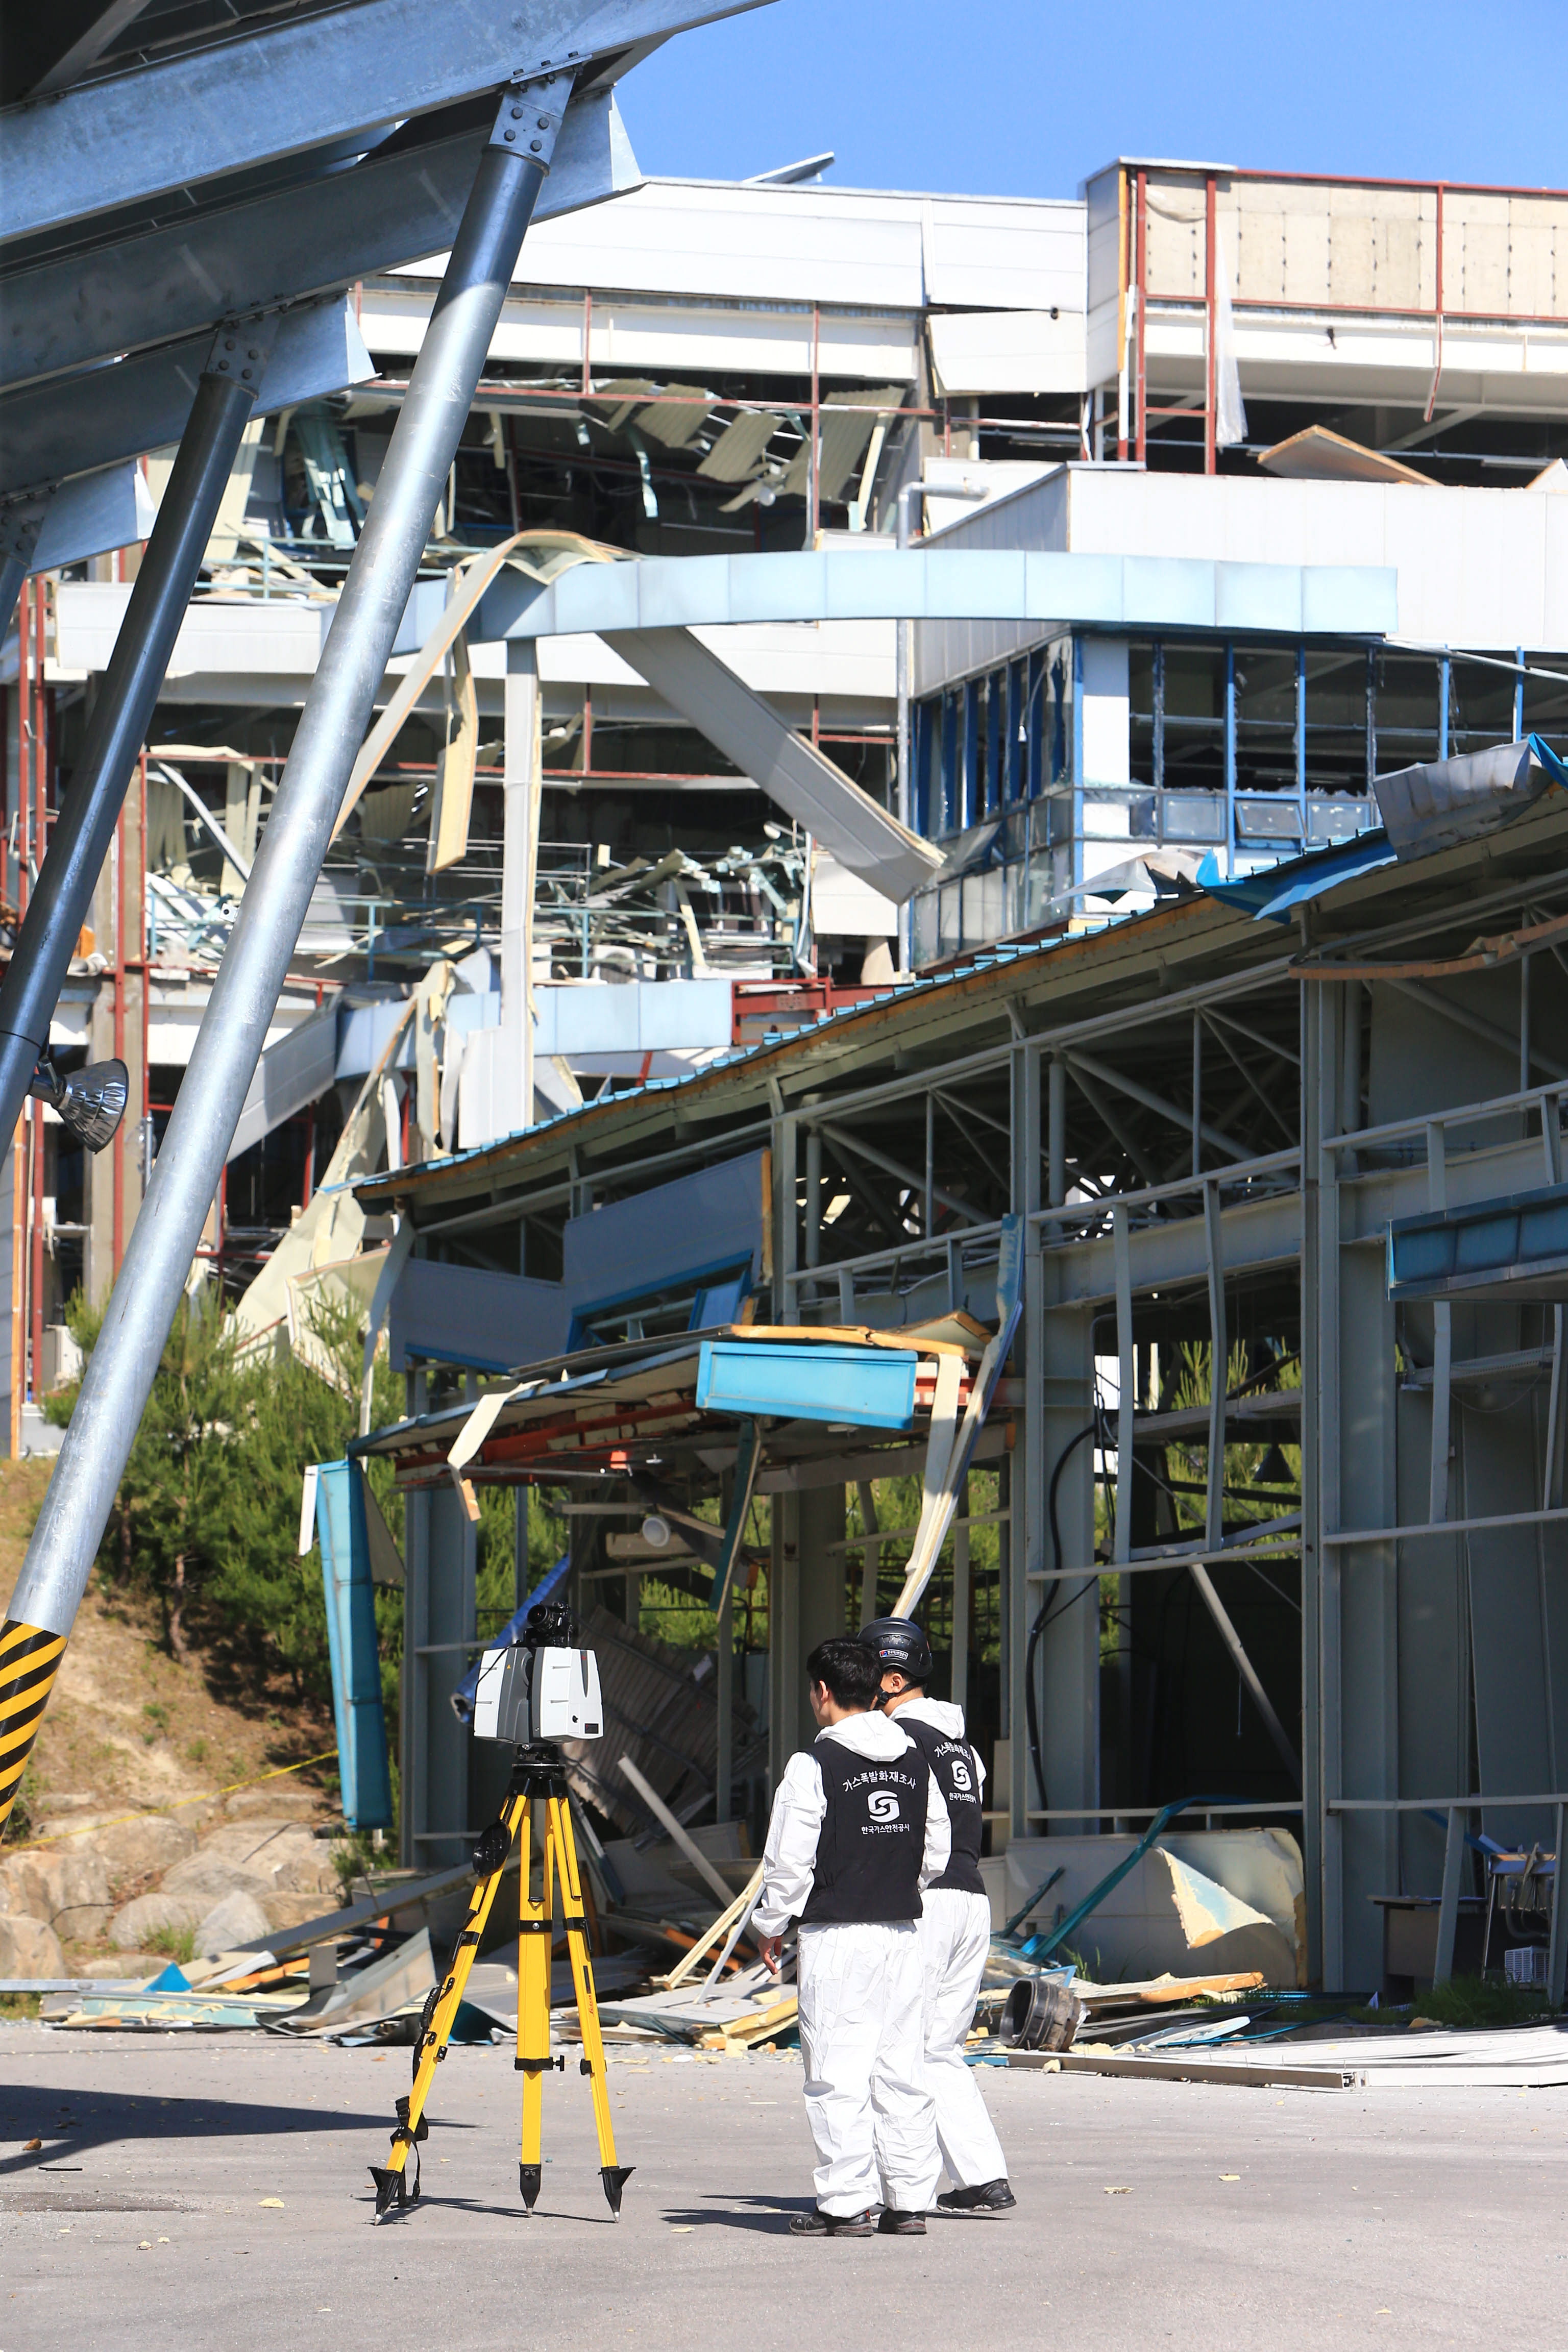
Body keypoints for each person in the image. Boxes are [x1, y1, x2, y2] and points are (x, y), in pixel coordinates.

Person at [752, 1633, 949, 2239]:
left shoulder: (813, 1765)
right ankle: (911, 2201)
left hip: (838, 1937)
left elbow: (788, 1862)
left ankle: (845, 2204)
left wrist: (769, 1923)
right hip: (901, 1932)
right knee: (901, 2069)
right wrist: (895, 1881)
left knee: (837, 2072)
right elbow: (937, 1848)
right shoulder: (917, 1758)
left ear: (822, 1692)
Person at [859, 1615, 1016, 2219]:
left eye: (869, 1678)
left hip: (927, 1900)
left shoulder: (896, 1740)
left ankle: (896, 2191)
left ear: (893, 1679)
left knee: (895, 2048)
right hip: (972, 1900)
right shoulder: (960, 1746)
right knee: (939, 2049)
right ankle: (984, 2178)